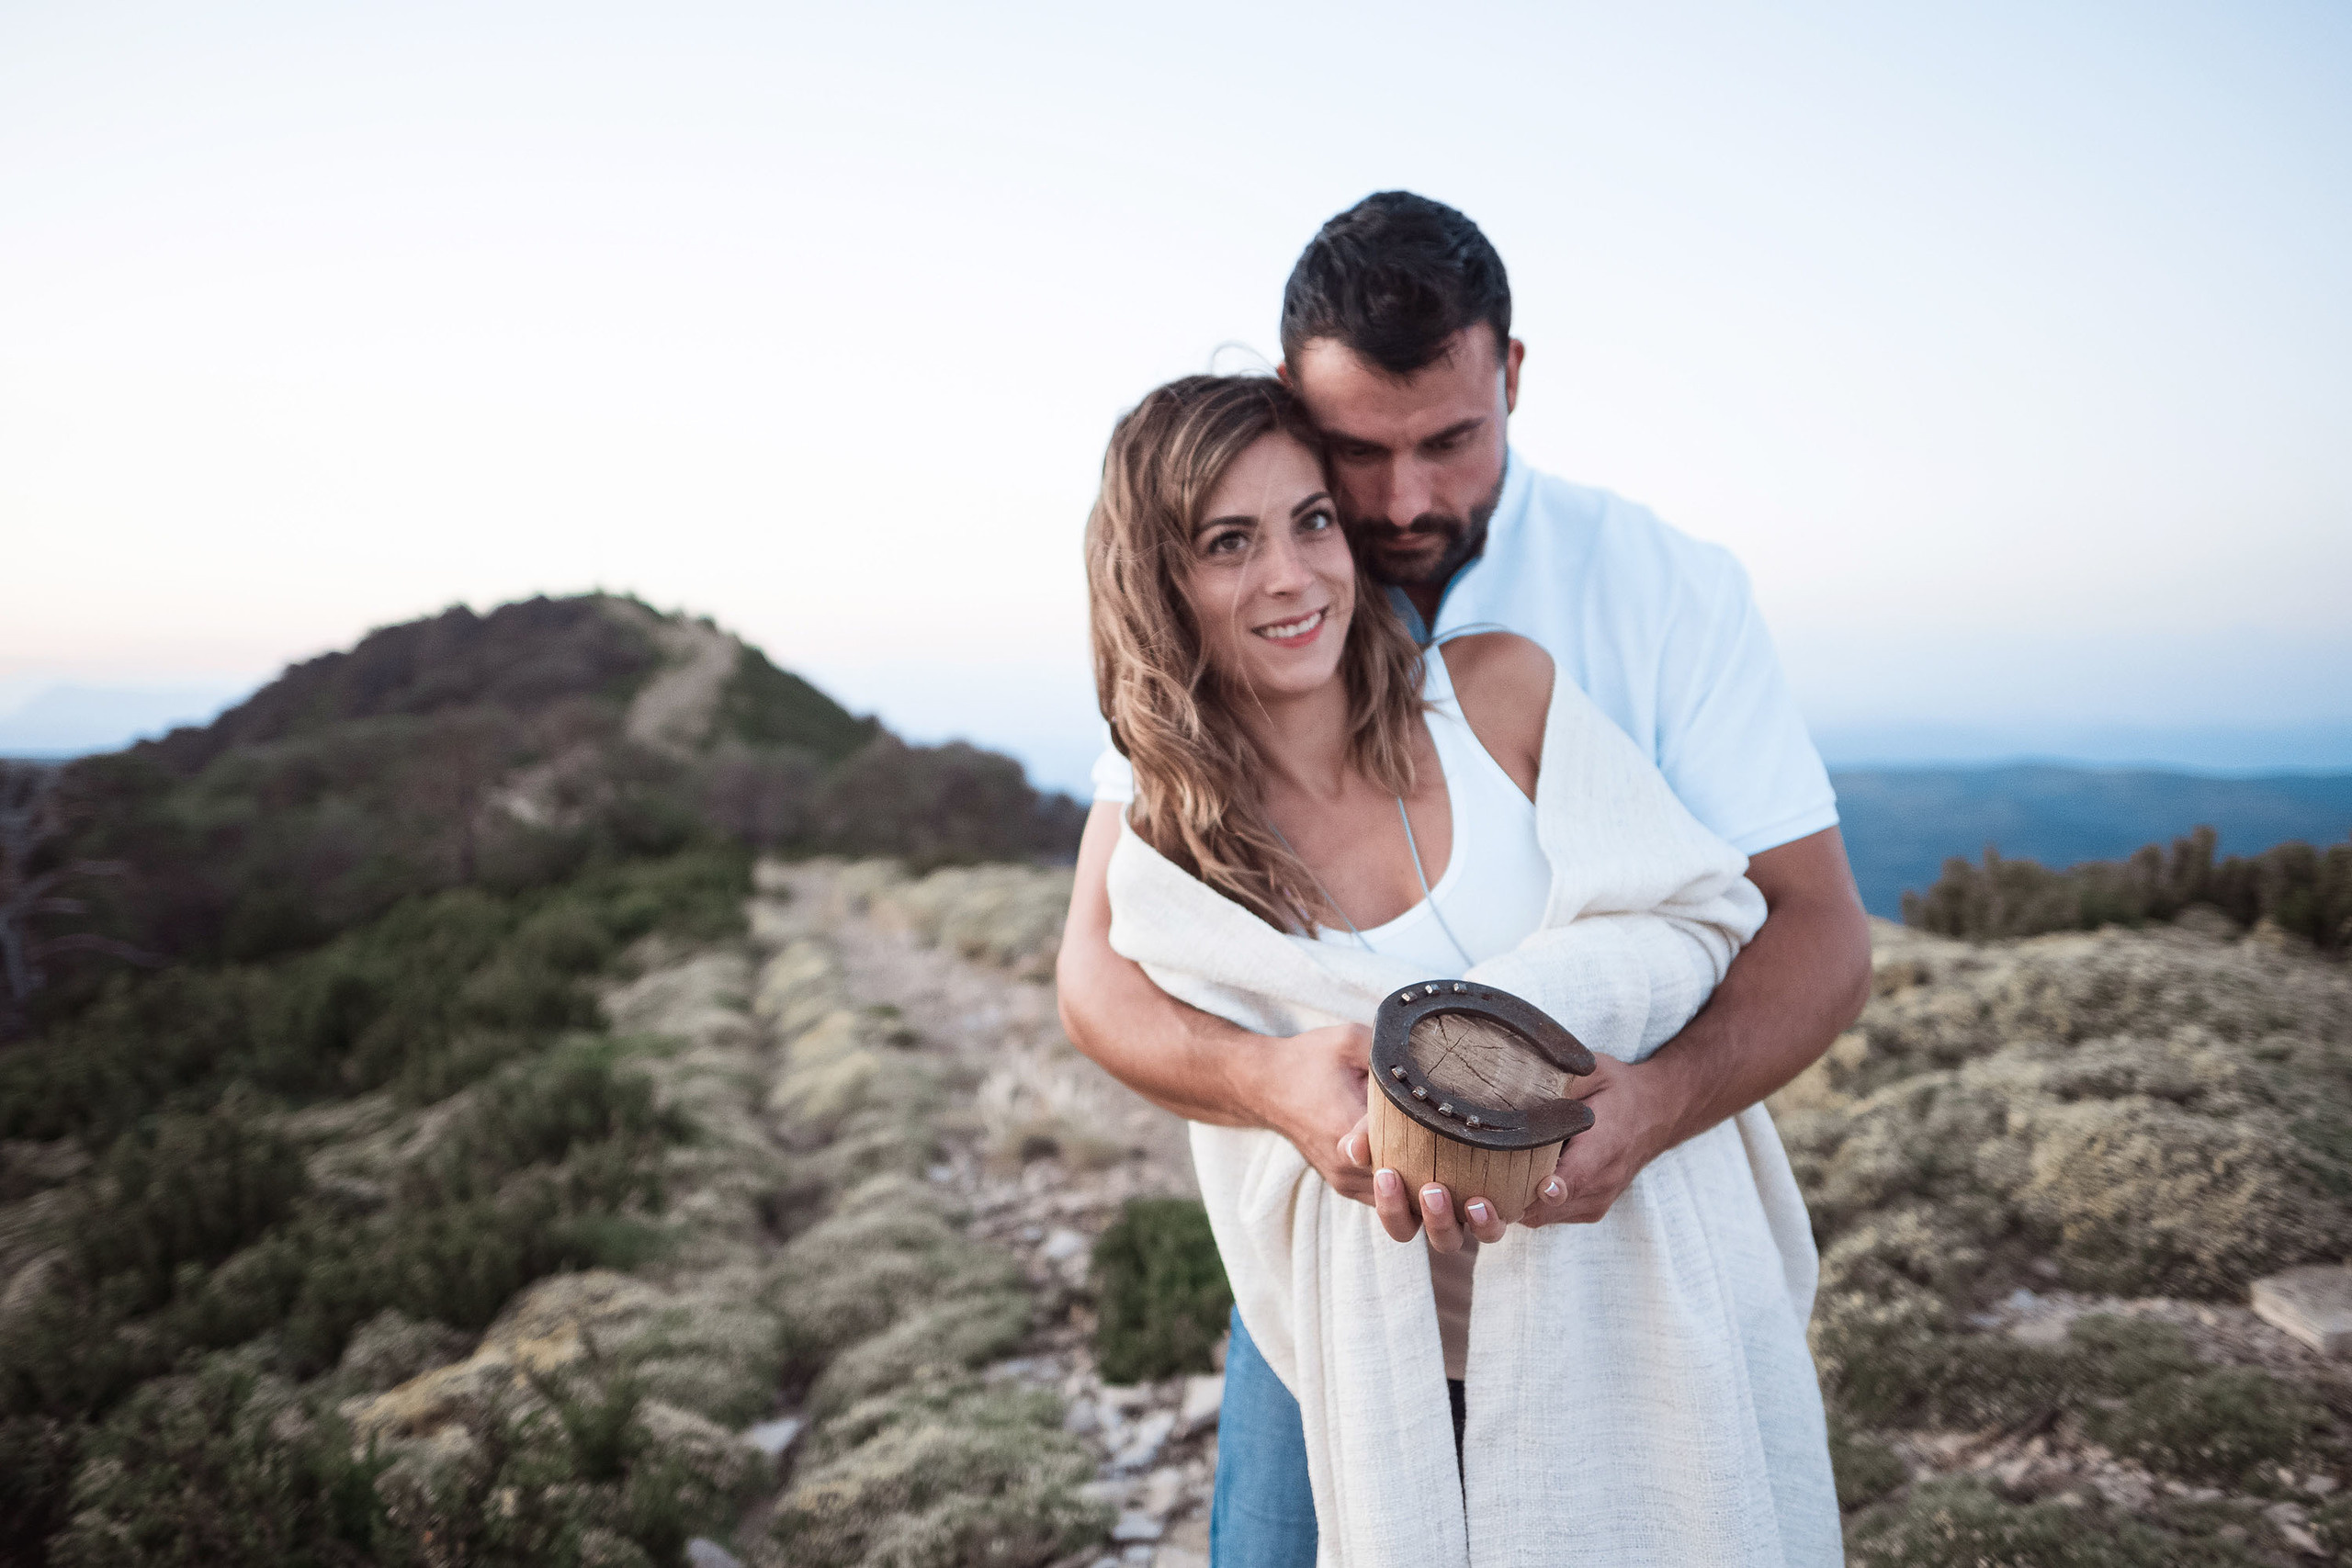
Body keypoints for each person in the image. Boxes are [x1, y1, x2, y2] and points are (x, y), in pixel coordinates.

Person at [1059, 192, 1871, 1566]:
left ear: (1513, 376)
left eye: (1449, 441)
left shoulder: (1651, 594)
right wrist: (1268, 1085)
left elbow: (1815, 931)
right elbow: (1104, 965)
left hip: (1622, 1261)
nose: (1399, 504)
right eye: (1355, 459)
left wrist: (1655, 1106)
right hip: (1350, 1293)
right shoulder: (1244, 642)